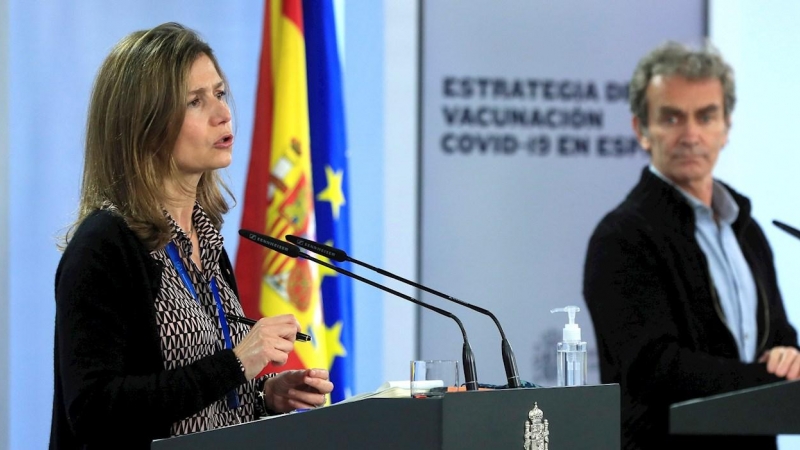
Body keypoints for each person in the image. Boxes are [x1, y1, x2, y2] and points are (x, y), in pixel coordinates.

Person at [50, 22, 333, 449]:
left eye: (219, 93)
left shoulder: (208, 240)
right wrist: (237, 364)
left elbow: (198, 397)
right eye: (195, 102)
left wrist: (265, 395)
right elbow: (93, 409)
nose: (223, 113)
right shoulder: (105, 246)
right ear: (144, 125)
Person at [583, 41, 800, 449]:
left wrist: (789, 355)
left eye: (706, 116)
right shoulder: (620, 238)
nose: (691, 134)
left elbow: (778, 333)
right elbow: (656, 369)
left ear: (727, 127)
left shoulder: (747, 229)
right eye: (672, 117)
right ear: (641, 130)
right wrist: (773, 377)